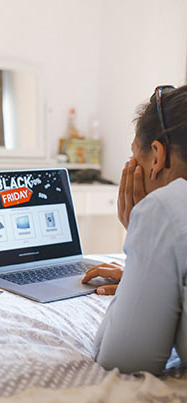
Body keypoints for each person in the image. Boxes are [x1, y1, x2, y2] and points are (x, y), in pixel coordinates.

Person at [81, 85, 187, 375]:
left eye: (133, 156)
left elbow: (121, 359)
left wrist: (140, 231)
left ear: (157, 156)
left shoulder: (165, 209)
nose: (129, 167)